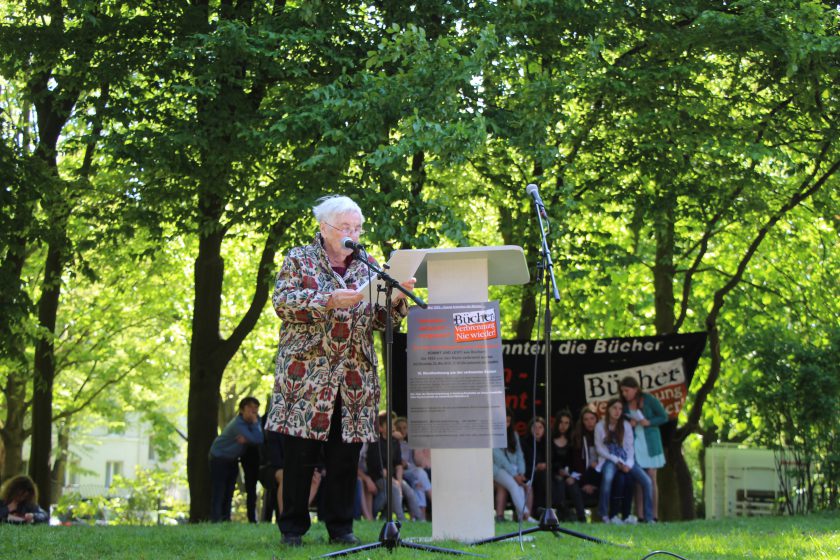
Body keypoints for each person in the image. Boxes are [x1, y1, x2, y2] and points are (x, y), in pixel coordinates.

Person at [264, 195, 416, 547]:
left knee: (345, 455)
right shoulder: (299, 259)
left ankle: (340, 527)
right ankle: (292, 529)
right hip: (306, 376)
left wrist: (395, 301)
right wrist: (327, 300)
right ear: (324, 228)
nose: (353, 233)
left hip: (353, 377)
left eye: (357, 227)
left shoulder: (370, 264)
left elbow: (383, 321)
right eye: (346, 227)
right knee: (300, 455)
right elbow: (283, 302)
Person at [594, 398, 654, 524]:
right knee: (608, 478)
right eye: (614, 408)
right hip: (609, 460)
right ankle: (604, 514)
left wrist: (628, 464)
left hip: (627, 461)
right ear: (608, 409)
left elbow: (630, 447)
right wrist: (616, 461)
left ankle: (649, 517)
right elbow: (600, 448)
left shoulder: (626, 425)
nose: (617, 411)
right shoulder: (600, 426)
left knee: (647, 481)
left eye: (620, 409)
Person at [619, 376, 668, 521]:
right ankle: (640, 515)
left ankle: (654, 515)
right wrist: (630, 423)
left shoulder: (649, 399)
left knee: (652, 477)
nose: (624, 394)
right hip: (635, 443)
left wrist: (649, 421)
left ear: (635, 389)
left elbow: (663, 417)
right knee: (639, 479)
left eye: (626, 390)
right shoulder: (625, 405)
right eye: (622, 391)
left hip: (651, 443)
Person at [209, 396, 264, 522]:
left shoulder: (254, 422)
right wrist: (252, 434)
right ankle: (216, 519)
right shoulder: (238, 424)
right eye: (250, 408)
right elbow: (258, 438)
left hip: (233, 459)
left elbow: (259, 438)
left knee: (229, 490)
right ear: (242, 409)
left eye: (256, 408)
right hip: (219, 458)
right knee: (219, 490)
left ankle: (226, 518)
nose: (253, 411)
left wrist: (250, 436)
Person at [365, 411, 422, 521]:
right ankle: (401, 519)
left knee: (408, 490)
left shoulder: (394, 442)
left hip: (393, 477)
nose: (393, 427)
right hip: (379, 477)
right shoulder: (375, 443)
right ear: (380, 428)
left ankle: (420, 518)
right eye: (389, 424)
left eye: (393, 424)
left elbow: (398, 464)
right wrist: (395, 483)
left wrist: (399, 481)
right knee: (393, 490)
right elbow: (381, 469)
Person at [492, 410, 536, 523]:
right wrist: (515, 475)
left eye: (508, 421)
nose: (506, 424)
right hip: (497, 469)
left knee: (521, 486)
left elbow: (520, 454)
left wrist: (521, 472)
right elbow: (500, 459)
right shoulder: (493, 434)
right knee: (513, 485)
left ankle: (523, 518)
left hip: (515, 470)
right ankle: (526, 515)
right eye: (503, 421)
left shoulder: (514, 434)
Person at [550, 410, 586, 522]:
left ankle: (582, 517)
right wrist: (558, 470)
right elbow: (549, 460)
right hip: (553, 474)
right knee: (559, 483)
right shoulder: (550, 439)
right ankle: (563, 515)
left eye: (566, 423)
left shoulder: (573, 441)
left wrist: (570, 475)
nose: (563, 426)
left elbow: (574, 462)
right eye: (561, 422)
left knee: (573, 486)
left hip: (569, 473)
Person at [570, 406, 601, 505]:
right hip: (585, 474)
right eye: (586, 419)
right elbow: (577, 463)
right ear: (582, 421)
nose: (589, 422)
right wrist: (585, 483)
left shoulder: (603, 435)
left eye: (592, 419)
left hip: (600, 472)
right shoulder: (578, 437)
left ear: (597, 419)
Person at [521, 416, 548, 516]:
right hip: (528, 473)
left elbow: (553, 461)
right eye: (535, 427)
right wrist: (535, 467)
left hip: (545, 473)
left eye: (540, 427)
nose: (537, 430)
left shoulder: (547, 443)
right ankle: (536, 512)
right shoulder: (524, 443)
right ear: (530, 428)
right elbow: (523, 463)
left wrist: (546, 465)